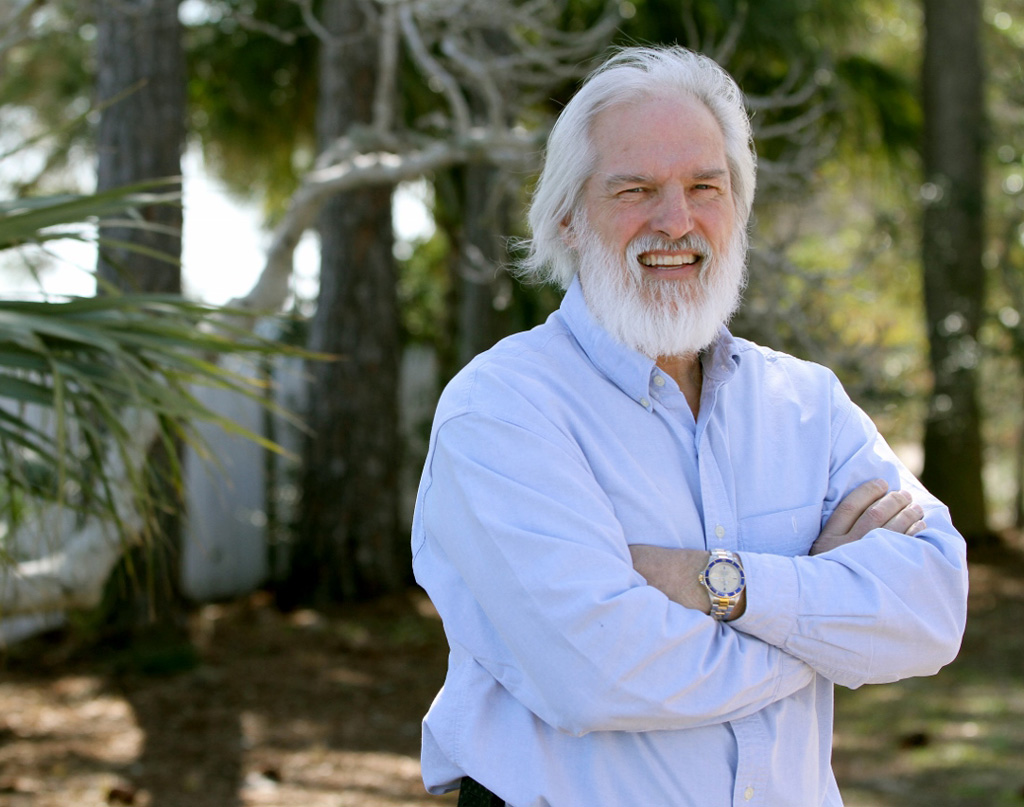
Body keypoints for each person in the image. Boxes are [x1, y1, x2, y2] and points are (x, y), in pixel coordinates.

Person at [411, 45, 968, 807]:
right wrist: (819, 635)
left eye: (705, 186)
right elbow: (600, 673)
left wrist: (718, 583)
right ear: (568, 217)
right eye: (635, 189)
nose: (676, 221)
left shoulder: (809, 403)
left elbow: (932, 608)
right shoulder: (502, 409)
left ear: (736, 207)